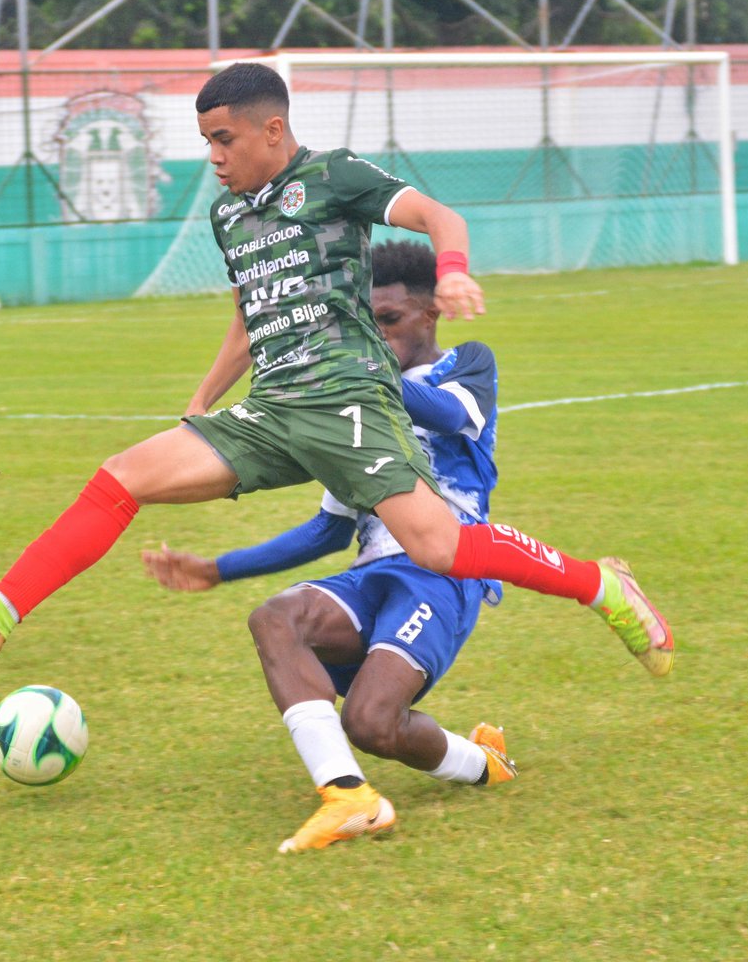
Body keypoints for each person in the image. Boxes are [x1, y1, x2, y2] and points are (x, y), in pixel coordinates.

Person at [0, 62, 672, 691]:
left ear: (273, 129)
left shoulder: (336, 177)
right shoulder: (229, 217)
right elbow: (249, 319)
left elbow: (441, 218)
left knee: (440, 548)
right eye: (206, 141)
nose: (214, 157)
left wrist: (457, 272)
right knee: (122, 476)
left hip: (350, 402)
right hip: (273, 410)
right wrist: (202, 403)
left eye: (224, 139)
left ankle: (600, 586)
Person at [143, 241, 516, 853]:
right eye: (369, 325)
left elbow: (450, 417)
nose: (378, 336)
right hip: (371, 574)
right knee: (275, 618)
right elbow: (329, 530)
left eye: (389, 322)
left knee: (371, 723)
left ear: (430, 314)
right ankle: (348, 795)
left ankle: (481, 763)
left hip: (442, 575)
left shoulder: (466, 366)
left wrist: (364, 370)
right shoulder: (360, 409)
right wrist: (217, 569)